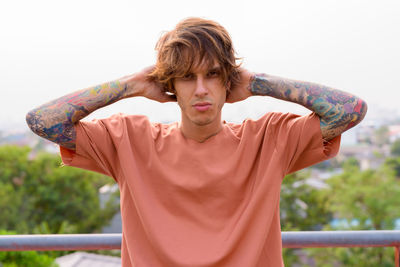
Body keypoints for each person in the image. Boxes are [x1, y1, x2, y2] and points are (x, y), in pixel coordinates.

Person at [26, 17, 367, 267]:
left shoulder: (269, 138)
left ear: (228, 81)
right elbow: (43, 120)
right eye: (187, 77)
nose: (201, 89)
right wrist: (132, 84)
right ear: (170, 83)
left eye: (213, 74)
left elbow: (351, 110)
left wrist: (258, 82)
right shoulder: (129, 139)